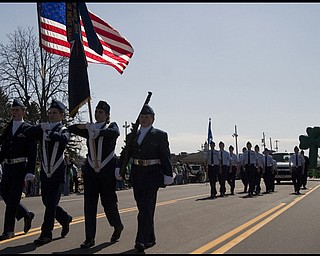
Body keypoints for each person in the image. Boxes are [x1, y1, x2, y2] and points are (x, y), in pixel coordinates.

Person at [69, 100, 124, 249]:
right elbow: (71, 128)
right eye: (96, 111)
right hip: (91, 172)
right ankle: (89, 238)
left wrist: (98, 131)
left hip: (107, 172)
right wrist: (85, 126)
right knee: (89, 206)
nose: (97, 114)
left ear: (107, 115)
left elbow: (115, 133)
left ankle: (117, 225)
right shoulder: (90, 128)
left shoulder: (111, 126)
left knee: (108, 204)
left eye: (101, 112)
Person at [119, 104, 173, 253]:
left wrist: (168, 173)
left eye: (147, 117)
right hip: (137, 174)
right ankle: (150, 237)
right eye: (142, 117)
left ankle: (140, 240)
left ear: (153, 119)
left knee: (147, 209)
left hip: (152, 174)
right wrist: (119, 167)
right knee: (143, 208)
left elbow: (165, 155)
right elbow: (125, 154)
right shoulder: (132, 136)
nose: (144, 119)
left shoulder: (160, 135)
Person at [24, 99, 73, 245]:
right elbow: (27, 132)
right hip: (45, 171)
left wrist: (50, 132)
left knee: (51, 203)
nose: (51, 115)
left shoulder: (64, 130)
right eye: (50, 113)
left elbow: (64, 139)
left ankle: (46, 234)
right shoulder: (43, 128)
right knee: (46, 201)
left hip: (57, 171)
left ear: (61, 115)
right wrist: (40, 127)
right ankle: (65, 218)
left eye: (55, 113)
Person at [0, 99, 36, 241]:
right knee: (5, 193)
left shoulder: (27, 128)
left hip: (20, 168)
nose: (15, 112)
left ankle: (8, 230)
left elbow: (32, 152)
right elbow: (3, 147)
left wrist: (30, 171)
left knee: (13, 198)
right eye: (13, 110)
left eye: (17, 110)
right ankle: (26, 214)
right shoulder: (9, 127)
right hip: (8, 167)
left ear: (23, 111)